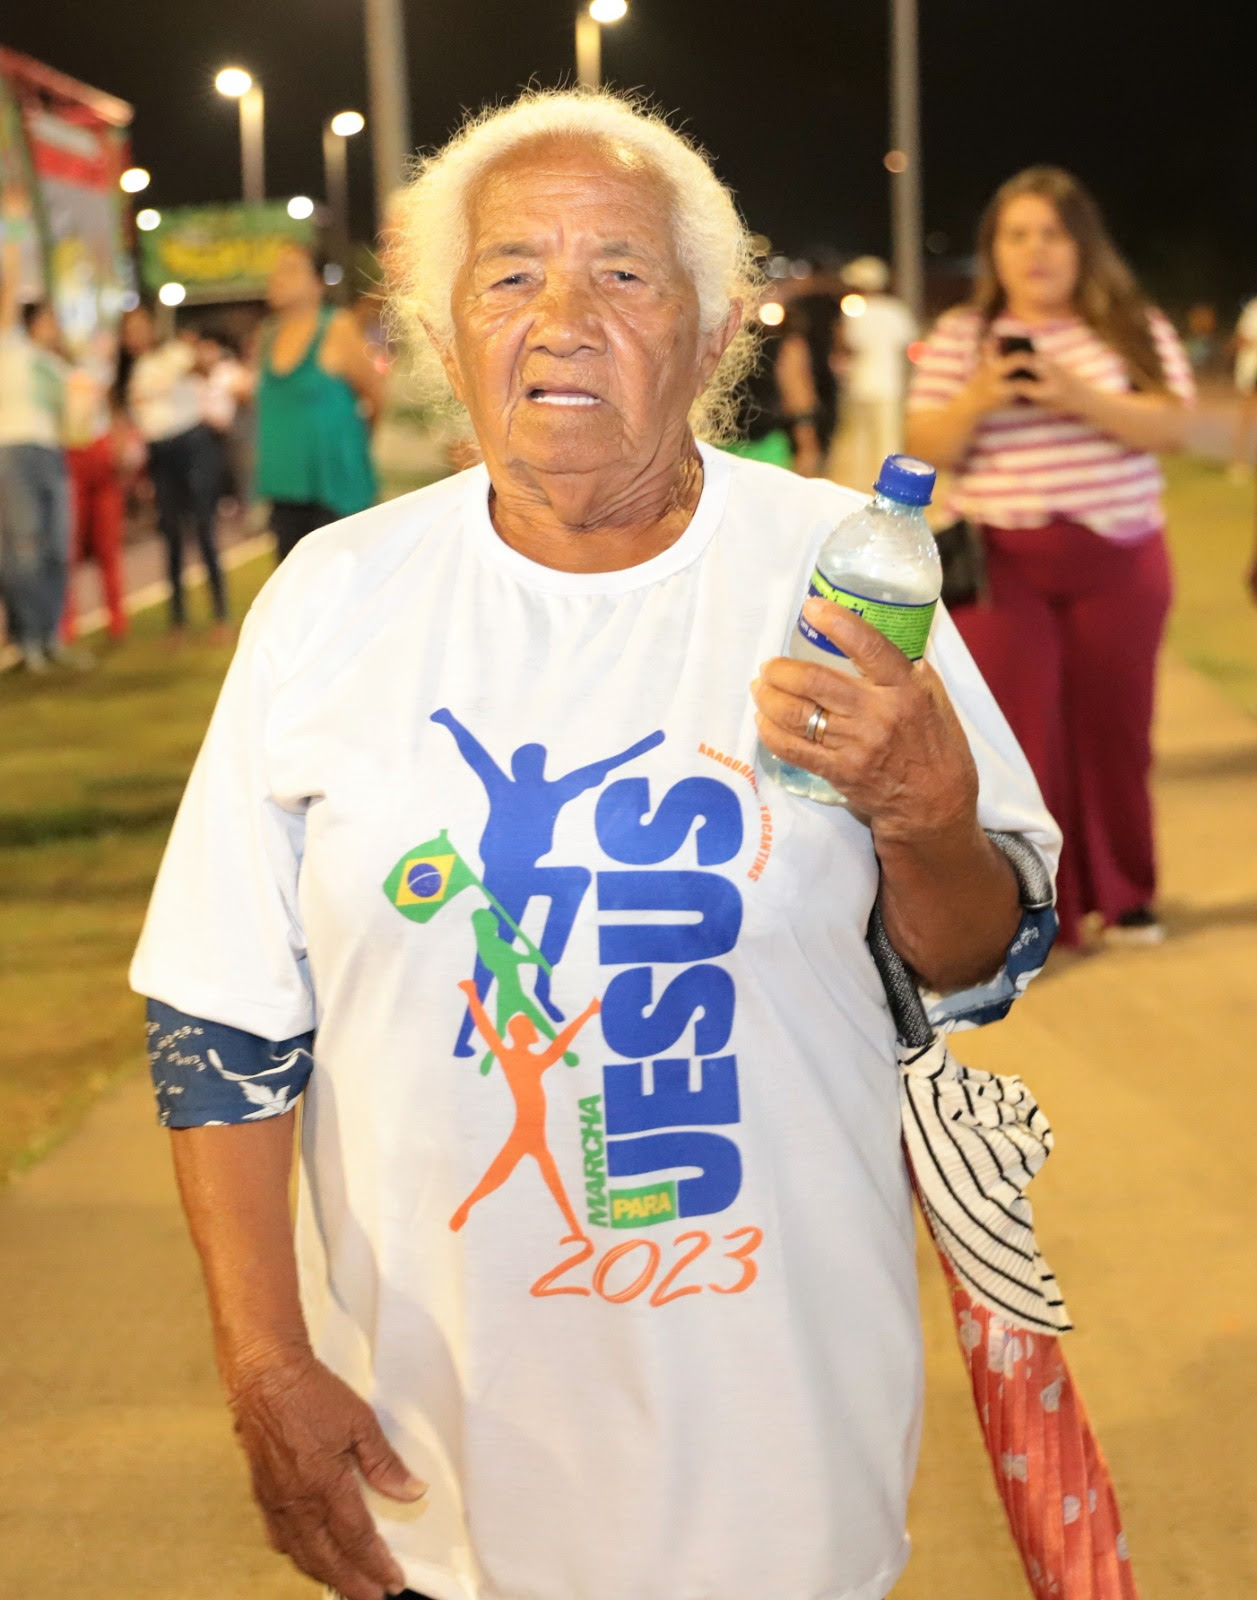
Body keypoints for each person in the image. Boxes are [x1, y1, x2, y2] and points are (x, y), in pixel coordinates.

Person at [132, 89, 1061, 1600]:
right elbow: (222, 1012)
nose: (559, 316)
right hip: (432, 1457)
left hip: (778, 1448)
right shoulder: (332, 597)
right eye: (509, 274)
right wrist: (261, 1359)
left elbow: (976, 962)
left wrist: (928, 817)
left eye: (621, 272)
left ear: (710, 337)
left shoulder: (840, 575)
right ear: (445, 338)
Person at [905, 166, 1194, 949]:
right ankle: (1034, 913)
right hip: (1002, 564)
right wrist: (979, 398)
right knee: (1014, 742)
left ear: (1082, 246)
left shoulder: (1127, 325)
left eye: (1052, 234)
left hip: (1118, 557)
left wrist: (1073, 392)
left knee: (1117, 731)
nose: (1035, 252)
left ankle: (1126, 895)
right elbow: (923, 446)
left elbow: (1168, 428)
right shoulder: (964, 336)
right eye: (1016, 235)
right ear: (993, 249)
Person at [254, 243, 383, 561]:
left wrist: (352, 449)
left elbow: (378, 397)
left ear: (316, 283)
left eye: (290, 269)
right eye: (276, 270)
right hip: (284, 488)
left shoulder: (337, 328)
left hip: (334, 491)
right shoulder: (266, 336)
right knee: (293, 596)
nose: (277, 278)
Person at [119, 305, 229, 639]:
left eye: (140, 326)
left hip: (191, 445)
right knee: (170, 534)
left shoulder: (176, 352)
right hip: (159, 454)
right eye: (129, 330)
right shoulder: (132, 371)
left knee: (204, 529)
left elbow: (205, 369)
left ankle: (220, 616)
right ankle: (178, 621)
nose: (136, 335)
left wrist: (197, 357)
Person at [0, 190, 72, 672]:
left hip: (50, 451)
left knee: (58, 549)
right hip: (11, 452)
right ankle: (27, 640)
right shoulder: (8, 341)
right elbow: (12, 278)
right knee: (24, 549)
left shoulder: (41, 356)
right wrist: (14, 224)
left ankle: (47, 638)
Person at [827, 255, 916, 491]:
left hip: (860, 387)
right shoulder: (896, 310)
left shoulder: (854, 312)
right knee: (888, 444)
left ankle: (859, 491)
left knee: (859, 445)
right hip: (889, 387)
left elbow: (846, 346)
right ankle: (889, 491)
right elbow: (909, 346)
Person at [62, 330, 128, 644]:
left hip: (100, 459)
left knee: (108, 547)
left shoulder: (97, 375)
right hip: (72, 459)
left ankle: (117, 618)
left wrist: (118, 444)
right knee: (70, 548)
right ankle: (67, 625)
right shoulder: (55, 374)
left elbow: (114, 412)